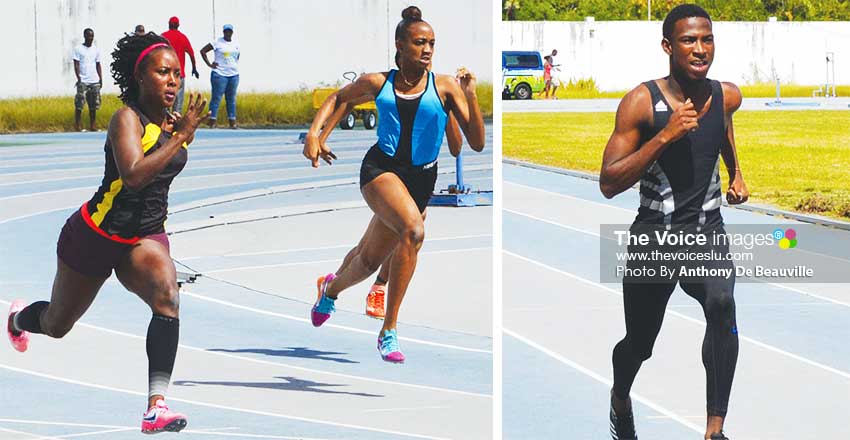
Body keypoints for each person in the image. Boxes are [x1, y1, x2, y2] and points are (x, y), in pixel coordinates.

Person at [7, 32, 209, 434]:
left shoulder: (173, 123)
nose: (173, 80)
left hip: (146, 235)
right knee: (56, 324)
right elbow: (133, 176)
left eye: (177, 73)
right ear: (140, 77)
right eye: (163, 72)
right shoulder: (126, 120)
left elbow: (162, 174)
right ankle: (17, 320)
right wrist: (181, 137)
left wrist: (178, 134)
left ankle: (156, 407)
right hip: (95, 236)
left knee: (168, 295)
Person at [599, 5, 748, 440]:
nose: (700, 49)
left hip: (706, 230)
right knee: (639, 344)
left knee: (722, 305)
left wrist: (737, 170)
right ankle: (620, 396)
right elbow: (609, 182)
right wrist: (665, 137)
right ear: (668, 46)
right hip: (654, 237)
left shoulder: (726, 94)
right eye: (688, 40)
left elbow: (723, 124)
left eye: (707, 39)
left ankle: (714, 430)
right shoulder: (642, 102)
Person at [303, 5, 485, 362]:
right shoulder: (378, 83)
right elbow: (340, 98)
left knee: (369, 260)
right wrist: (315, 133)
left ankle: (330, 290)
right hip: (380, 171)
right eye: (420, 42)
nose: (428, 49)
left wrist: (471, 94)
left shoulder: (446, 86)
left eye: (432, 43)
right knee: (414, 232)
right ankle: (389, 330)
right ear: (400, 45)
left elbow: (475, 143)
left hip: (421, 181)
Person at [200, 24, 240, 129]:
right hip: (220, 74)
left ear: (232, 32)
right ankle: (212, 121)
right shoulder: (217, 42)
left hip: (233, 75)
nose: (228, 33)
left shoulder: (235, 44)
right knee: (216, 98)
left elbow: (237, 56)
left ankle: (232, 122)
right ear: (223, 32)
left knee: (231, 99)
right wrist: (209, 64)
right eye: (226, 31)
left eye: (230, 31)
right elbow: (203, 51)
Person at [162, 16, 200, 114]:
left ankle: (163, 123)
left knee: (164, 102)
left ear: (169, 25)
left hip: (165, 74)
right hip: (179, 75)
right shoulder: (183, 37)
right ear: (178, 25)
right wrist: (194, 68)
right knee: (177, 103)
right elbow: (191, 54)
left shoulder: (163, 37)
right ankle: (175, 124)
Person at [73, 28, 103, 132]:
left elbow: (98, 64)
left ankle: (93, 126)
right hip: (83, 80)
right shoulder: (78, 49)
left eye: (92, 36)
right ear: (84, 36)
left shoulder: (96, 49)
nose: (91, 38)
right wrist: (79, 77)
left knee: (93, 105)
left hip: (94, 80)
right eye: (89, 36)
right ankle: (77, 126)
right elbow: (76, 64)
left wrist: (100, 78)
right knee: (79, 104)